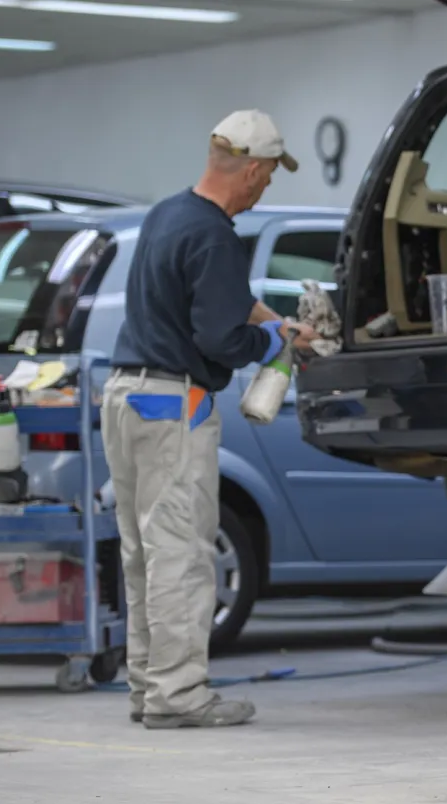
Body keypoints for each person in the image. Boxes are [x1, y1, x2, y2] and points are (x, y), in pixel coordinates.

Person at [102, 109, 318, 729]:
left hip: (125, 396)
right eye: (271, 174)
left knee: (145, 554)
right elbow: (220, 336)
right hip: (173, 405)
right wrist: (273, 346)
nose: (269, 186)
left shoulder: (170, 214)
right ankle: (179, 697)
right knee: (181, 555)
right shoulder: (217, 234)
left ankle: (149, 688)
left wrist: (271, 321)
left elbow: (215, 302)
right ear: (250, 170)